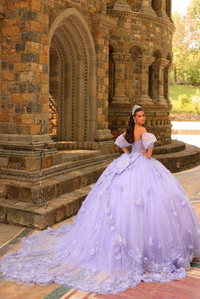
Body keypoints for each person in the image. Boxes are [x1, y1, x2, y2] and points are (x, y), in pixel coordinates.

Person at [0, 105, 200, 294]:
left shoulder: (129, 131)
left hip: (128, 162)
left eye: (143, 116)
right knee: (152, 203)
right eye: (140, 116)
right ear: (134, 118)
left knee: (128, 203)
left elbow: (121, 142)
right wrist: (147, 148)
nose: (143, 118)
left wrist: (129, 154)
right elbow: (147, 156)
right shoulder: (144, 131)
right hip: (142, 164)